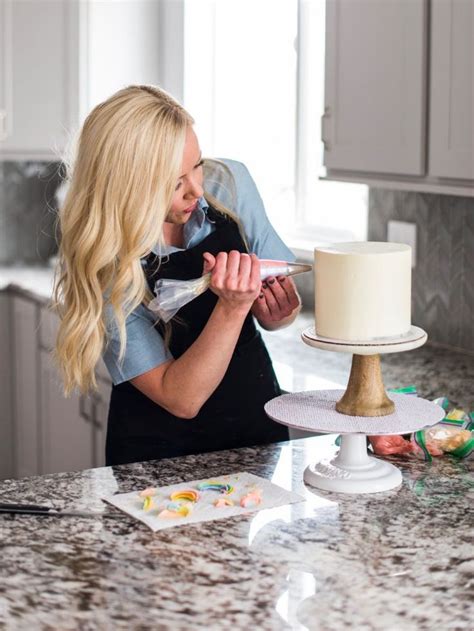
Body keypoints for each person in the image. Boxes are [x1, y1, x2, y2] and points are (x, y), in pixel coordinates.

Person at [54, 84, 301, 466]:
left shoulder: (230, 183)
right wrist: (232, 308)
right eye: (174, 183)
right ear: (127, 186)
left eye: (197, 164)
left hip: (255, 428)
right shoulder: (104, 261)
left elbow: (279, 299)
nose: (198, 190)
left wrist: (278, 312)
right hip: (157, 455)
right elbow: (180, 398)